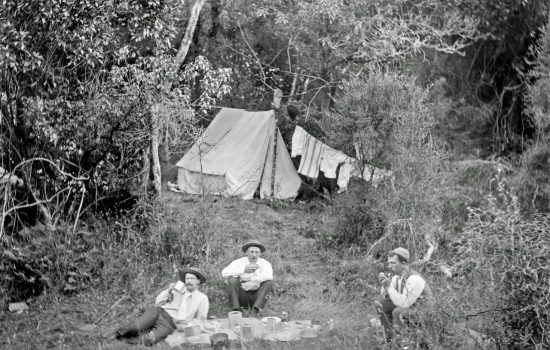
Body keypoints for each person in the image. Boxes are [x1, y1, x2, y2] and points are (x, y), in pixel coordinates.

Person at [112, 267, 209, 346]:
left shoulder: (202, 298)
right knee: (136, 327)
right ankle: (115, 335)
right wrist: (169, 290)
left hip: (170, 324)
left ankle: (124, 340)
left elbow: (201, 319)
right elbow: (157, 302)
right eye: (187, 278)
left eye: (192, 279)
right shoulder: (178, 290)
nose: (188, 281)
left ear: (198, 281)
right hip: (158, 312)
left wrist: (186, 326)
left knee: (149, 340)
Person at [374, 247, 434, 340]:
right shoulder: (397, 277)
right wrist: (384, 285)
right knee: (381, 304)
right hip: (412, 307)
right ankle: (389, 339)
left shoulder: (414, 278)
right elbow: (389, 296)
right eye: (389, 263)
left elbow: (404, 303)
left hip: (424, 310)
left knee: (397, 312)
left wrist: (388, 286)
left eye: (393, 263)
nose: (389, 266)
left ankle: (403, 341)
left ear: (403, 264)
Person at [221, 240, 273, 317]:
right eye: (251, 252)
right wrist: (243, 270)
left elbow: (269, 276)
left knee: (268, 283)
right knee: (232, 279)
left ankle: (256, 309)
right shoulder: (238, 262)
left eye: (256, 252)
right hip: (241, 294)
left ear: (260, 253)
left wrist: (252, 278)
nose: (254, 255)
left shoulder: (265, 263)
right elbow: (224, 273)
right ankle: (236, 309)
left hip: (257, 295)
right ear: (246, 253)